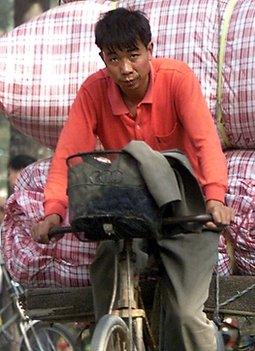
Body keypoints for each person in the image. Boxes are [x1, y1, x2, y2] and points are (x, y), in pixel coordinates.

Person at [30, 8, 234, 350]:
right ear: (103, 59)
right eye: (114, 59)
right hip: (130, 209)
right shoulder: (93, 91)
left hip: (183, 211)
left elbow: (205, 141)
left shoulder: (177, 79)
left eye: (134, 56)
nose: (125, 69)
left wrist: (214, 197)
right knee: (107, 268)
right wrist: (53, 210)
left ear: (150, 50)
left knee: (186, 314)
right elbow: (69, 152)